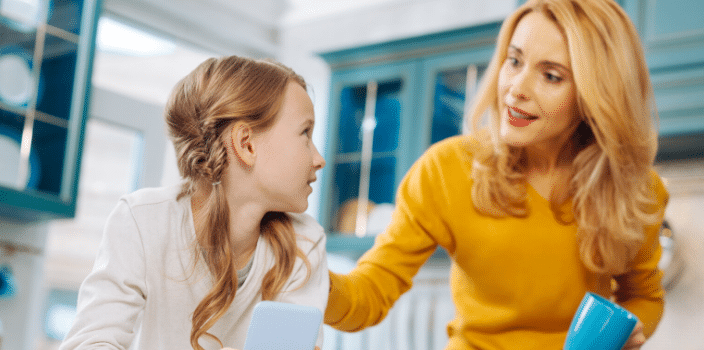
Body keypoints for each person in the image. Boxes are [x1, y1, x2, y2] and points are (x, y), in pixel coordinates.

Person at [325, 0, 668, 349]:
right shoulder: (445, 170)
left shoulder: (635, 189)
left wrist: (630, 328)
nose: (516, 88)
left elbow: (644, 295)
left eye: (551, 75)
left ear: (597, 94)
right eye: (514, 60)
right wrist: (313, 285)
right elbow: (370, 291)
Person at [60, 56, 328, 350]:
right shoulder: (143, 221)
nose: (319, 159)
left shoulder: (304, 242)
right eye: (305, 133)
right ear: (246, 144)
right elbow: (91, 342)